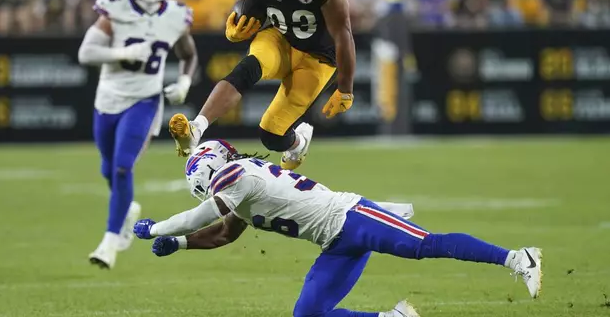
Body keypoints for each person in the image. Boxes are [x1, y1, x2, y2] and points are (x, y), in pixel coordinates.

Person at [133, 140, 543, 317]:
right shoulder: (243, 188)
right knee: (308, 313)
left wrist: (157, 230)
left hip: (352, 218)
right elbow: (221, 232)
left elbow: (204, 215)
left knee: (426, 245)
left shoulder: (239, 175)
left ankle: (519, 258)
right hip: (335, 242)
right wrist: (181, 244)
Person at [168, 0, 355, 171]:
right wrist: (235, 21)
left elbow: (342, 32)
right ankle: (197, 128)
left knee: (272, 135)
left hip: (318, 56)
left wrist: (346, 88)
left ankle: (298, 144)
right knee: (247, 69)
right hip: (279, 36)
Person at [78, 0, 198, 269]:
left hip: (144, 100)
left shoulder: (175, 14)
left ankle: (109, 242)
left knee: (122, 167)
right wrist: (122, 52)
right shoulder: (114, 8)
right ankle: (127, 207)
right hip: (108, 99)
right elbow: (86, 53)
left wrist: (184, 81)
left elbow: (188, 54)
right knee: (108, 168)